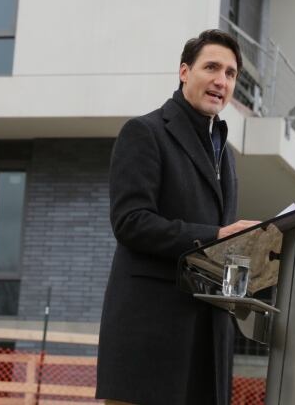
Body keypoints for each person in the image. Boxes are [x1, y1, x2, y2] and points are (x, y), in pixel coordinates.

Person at [96, 30, 259, 405]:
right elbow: (130, 221)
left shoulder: (225, 153)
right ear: (184, 72)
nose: (222, 80)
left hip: (207, 339)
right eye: (212, 67)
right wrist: (218, 234)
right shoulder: (145, 132)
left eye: (231, 74)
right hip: (151, 340)